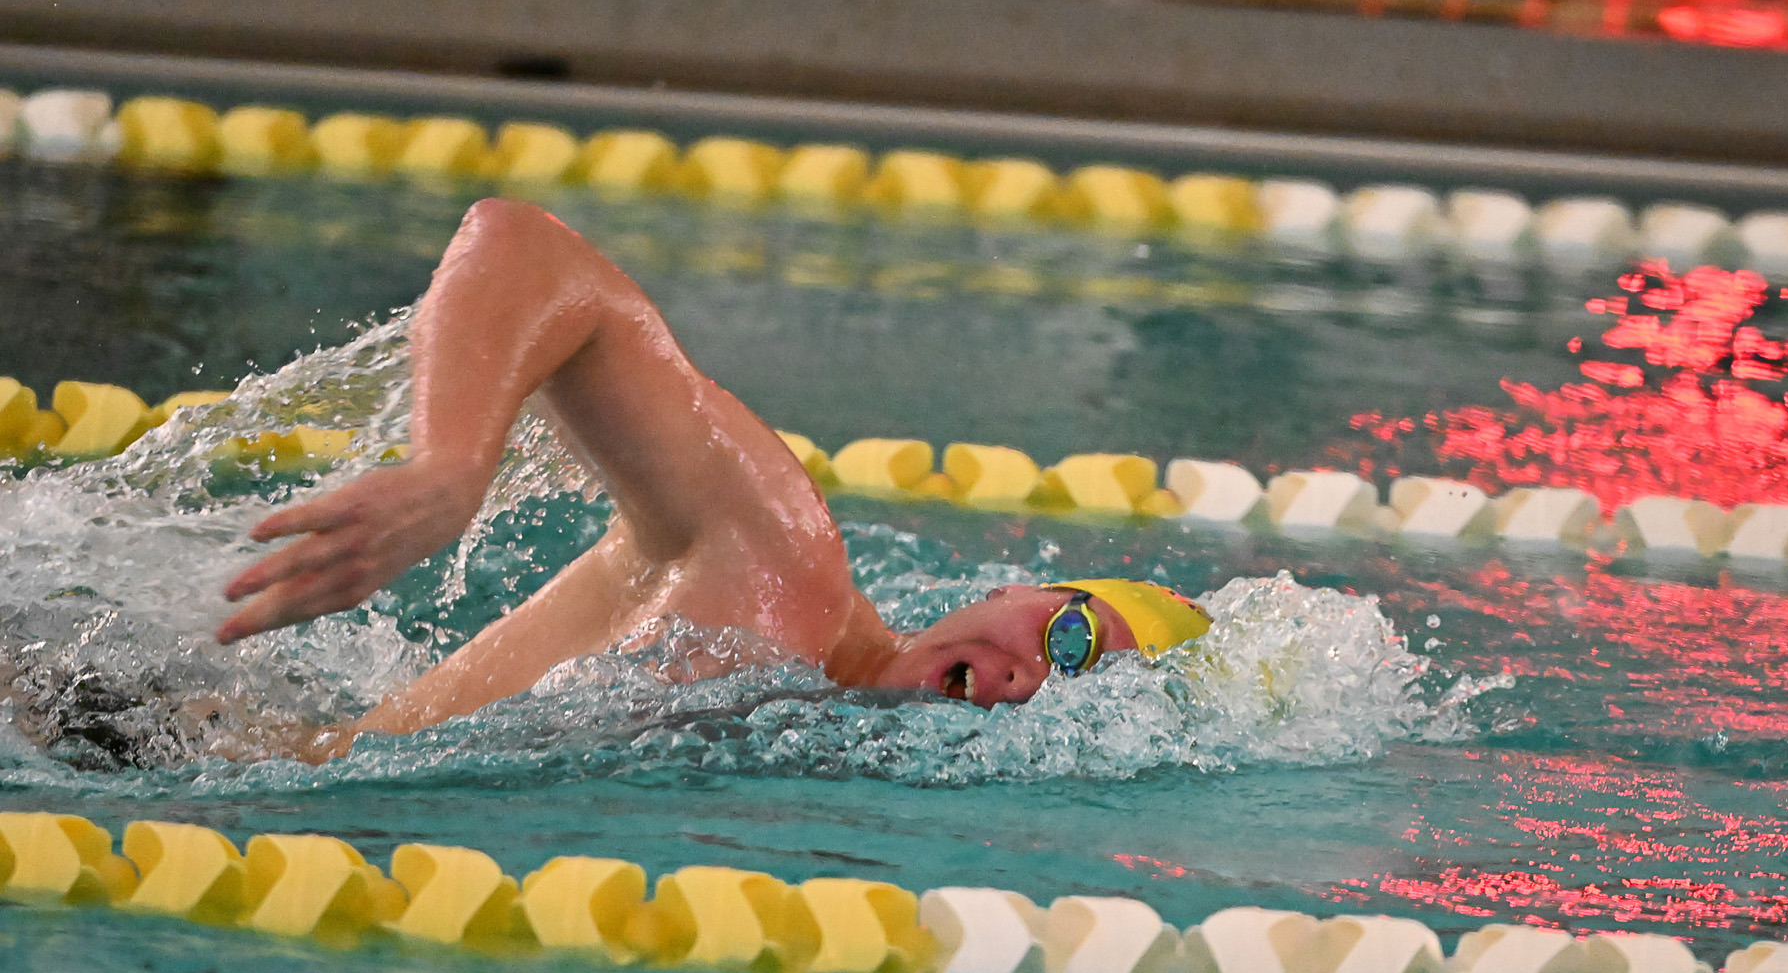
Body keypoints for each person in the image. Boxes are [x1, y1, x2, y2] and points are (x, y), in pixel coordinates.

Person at [217, 199, 1210, 754]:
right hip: (163, 752)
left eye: (1079, 691)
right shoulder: (785, 570)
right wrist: (451, 466)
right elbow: (528, 246)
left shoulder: (814, 726)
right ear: (1011, 591)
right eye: (1069, 633)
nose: (1028, 678)